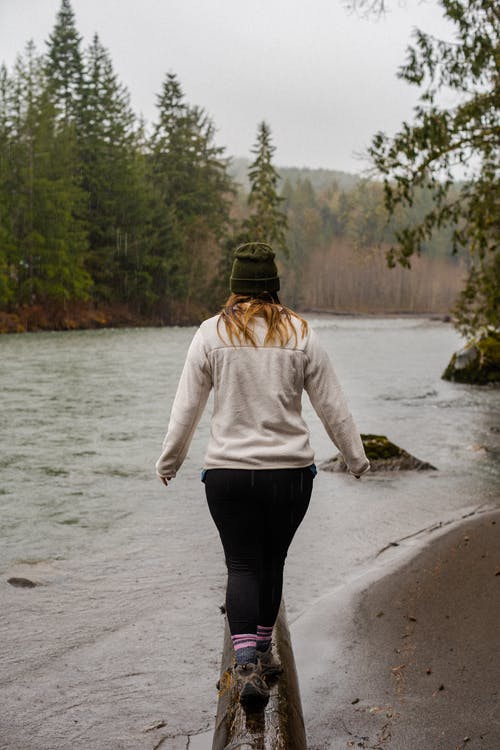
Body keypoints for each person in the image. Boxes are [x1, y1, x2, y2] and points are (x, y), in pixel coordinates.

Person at [155, 242, 370, 710]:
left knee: (241, 564)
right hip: (290, 476)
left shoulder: (210, 334)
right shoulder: (300, 333)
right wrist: (355, 459)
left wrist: (169, 461)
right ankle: (265, 650)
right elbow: (331, 404)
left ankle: (247, 664)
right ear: (274, 287)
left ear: (234, 288)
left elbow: (186, 407)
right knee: (272, 562)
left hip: (228, 475)